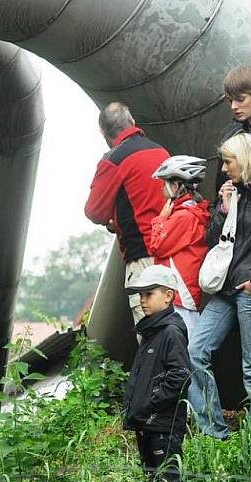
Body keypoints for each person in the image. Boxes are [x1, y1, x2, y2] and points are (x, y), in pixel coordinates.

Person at [187, 133, 251, 439]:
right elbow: (211, 240)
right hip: (225, 288)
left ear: (245, 160)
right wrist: (224, 208)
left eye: (229, 162)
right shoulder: (232, 194)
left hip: (250, 289)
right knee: (193, 351)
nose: (225, 168)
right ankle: (214, 431)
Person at [123, 264, 192, 482]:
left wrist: (150, 404)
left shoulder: (171, 331)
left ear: (168, 295)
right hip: (147, 424)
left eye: (148, 293)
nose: (142, 300)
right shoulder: (153, 331)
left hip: (162, 424)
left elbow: (181, 374)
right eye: (139, 294)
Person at [85, 102, 170, 324]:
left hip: (142, 256)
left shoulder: (114, 159)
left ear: (102, 132)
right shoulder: (161, 151)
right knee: (175, 330)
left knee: (150, 332)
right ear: (132, 122)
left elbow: (94, 212)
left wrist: (114, 220)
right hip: (173, 254)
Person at [148, 155, 212, 339]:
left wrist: (160, 219)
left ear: (175, 186)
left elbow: (157, 246)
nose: (162, 189)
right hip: (180, 296)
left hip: (180, 297)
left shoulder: (184, 216)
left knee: (182, 355)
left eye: (164, 184)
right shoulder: (188, 212)